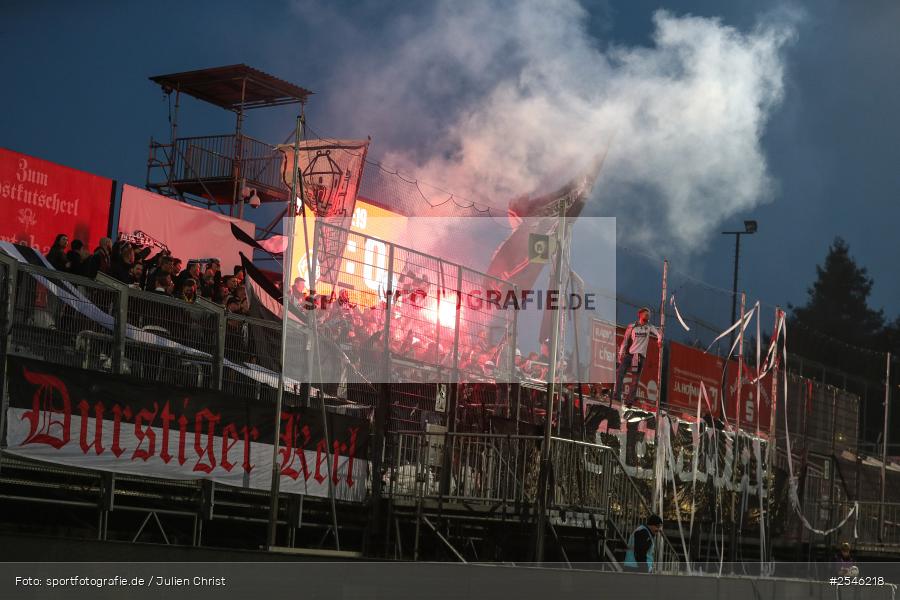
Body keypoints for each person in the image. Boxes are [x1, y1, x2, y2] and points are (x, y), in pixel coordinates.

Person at [615, 307, 662, 407]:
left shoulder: (649, 327)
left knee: (635, 380)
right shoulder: (632, 326)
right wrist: (620, 354)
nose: (648, 316)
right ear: (640, 314)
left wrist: (659, 340)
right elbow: (625, 340)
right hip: (629, 355)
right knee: (620, 374)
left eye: (649, 315)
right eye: (646, 314)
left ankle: (629, 401)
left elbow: (658, 334)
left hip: (639, 356)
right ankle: (617, 397)